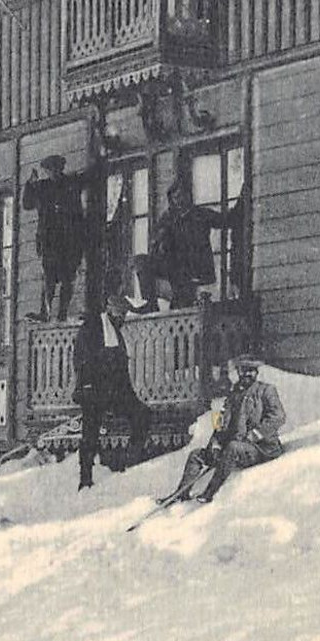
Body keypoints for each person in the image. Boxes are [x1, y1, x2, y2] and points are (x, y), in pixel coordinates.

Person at [160, 356, 285, 504]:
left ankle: (209, 493)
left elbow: (278, 417)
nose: (247, 374)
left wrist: (254, 435)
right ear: (238, 372)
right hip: (236, 447)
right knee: (196, 455)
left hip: (261, 449)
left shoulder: (266, 390)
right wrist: (215, 444)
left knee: (233, 448)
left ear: (256, 372)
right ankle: (181, 494)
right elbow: (221, 423)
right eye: (244, 370)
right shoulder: (233, 394)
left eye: (251, 371)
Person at [72, 292, 153, 489]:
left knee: (142, 414)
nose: (122, 319)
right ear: (110, 311)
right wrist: (86, 386)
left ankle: (130, 462)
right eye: (119, 314)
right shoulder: (91, 329)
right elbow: (81, 360)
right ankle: (85, 478)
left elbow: (122, 370)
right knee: (89, 433)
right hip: (92, 391)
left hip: (116, 393)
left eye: (124, 315)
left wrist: (132, 398)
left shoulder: (116, 333)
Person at [151, 179, 242, 309]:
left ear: (189, 195)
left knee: (200, 304)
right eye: (175, 198)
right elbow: (158, 242)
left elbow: (226, 220)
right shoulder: (168, 219)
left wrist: (241, 201)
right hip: (179, 274)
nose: (179, 201)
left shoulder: (201, 214)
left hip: (200, 270)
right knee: (180, 304)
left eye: (182, 196)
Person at [22, 154, 90, 321]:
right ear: (46, 171)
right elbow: (27, 204)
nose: (54, 173)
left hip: (70, 240)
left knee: (68, 278)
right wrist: (29, 185)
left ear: (61, 169)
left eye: (57, 169)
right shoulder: (42, 187)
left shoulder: (71, 183)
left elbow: (88, 179)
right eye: (50, 170)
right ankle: (45, 313)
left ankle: (62, 314)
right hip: (50, 240)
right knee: (49, 277)